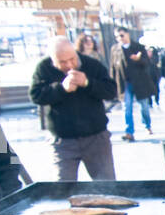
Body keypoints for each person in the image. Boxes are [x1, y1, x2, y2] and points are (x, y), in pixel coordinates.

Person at [29, 36, 118, 179]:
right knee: (63, 187)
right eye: (62, 62)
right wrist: (60, 89)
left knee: (107, 185)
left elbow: (111, 91)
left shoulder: (92, 64)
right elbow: (36, 95)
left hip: (96, 137)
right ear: (53, 60)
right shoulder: (43, 68)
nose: (69, 65)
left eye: (72, 59)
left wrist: (88, 83)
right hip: (63, 139)